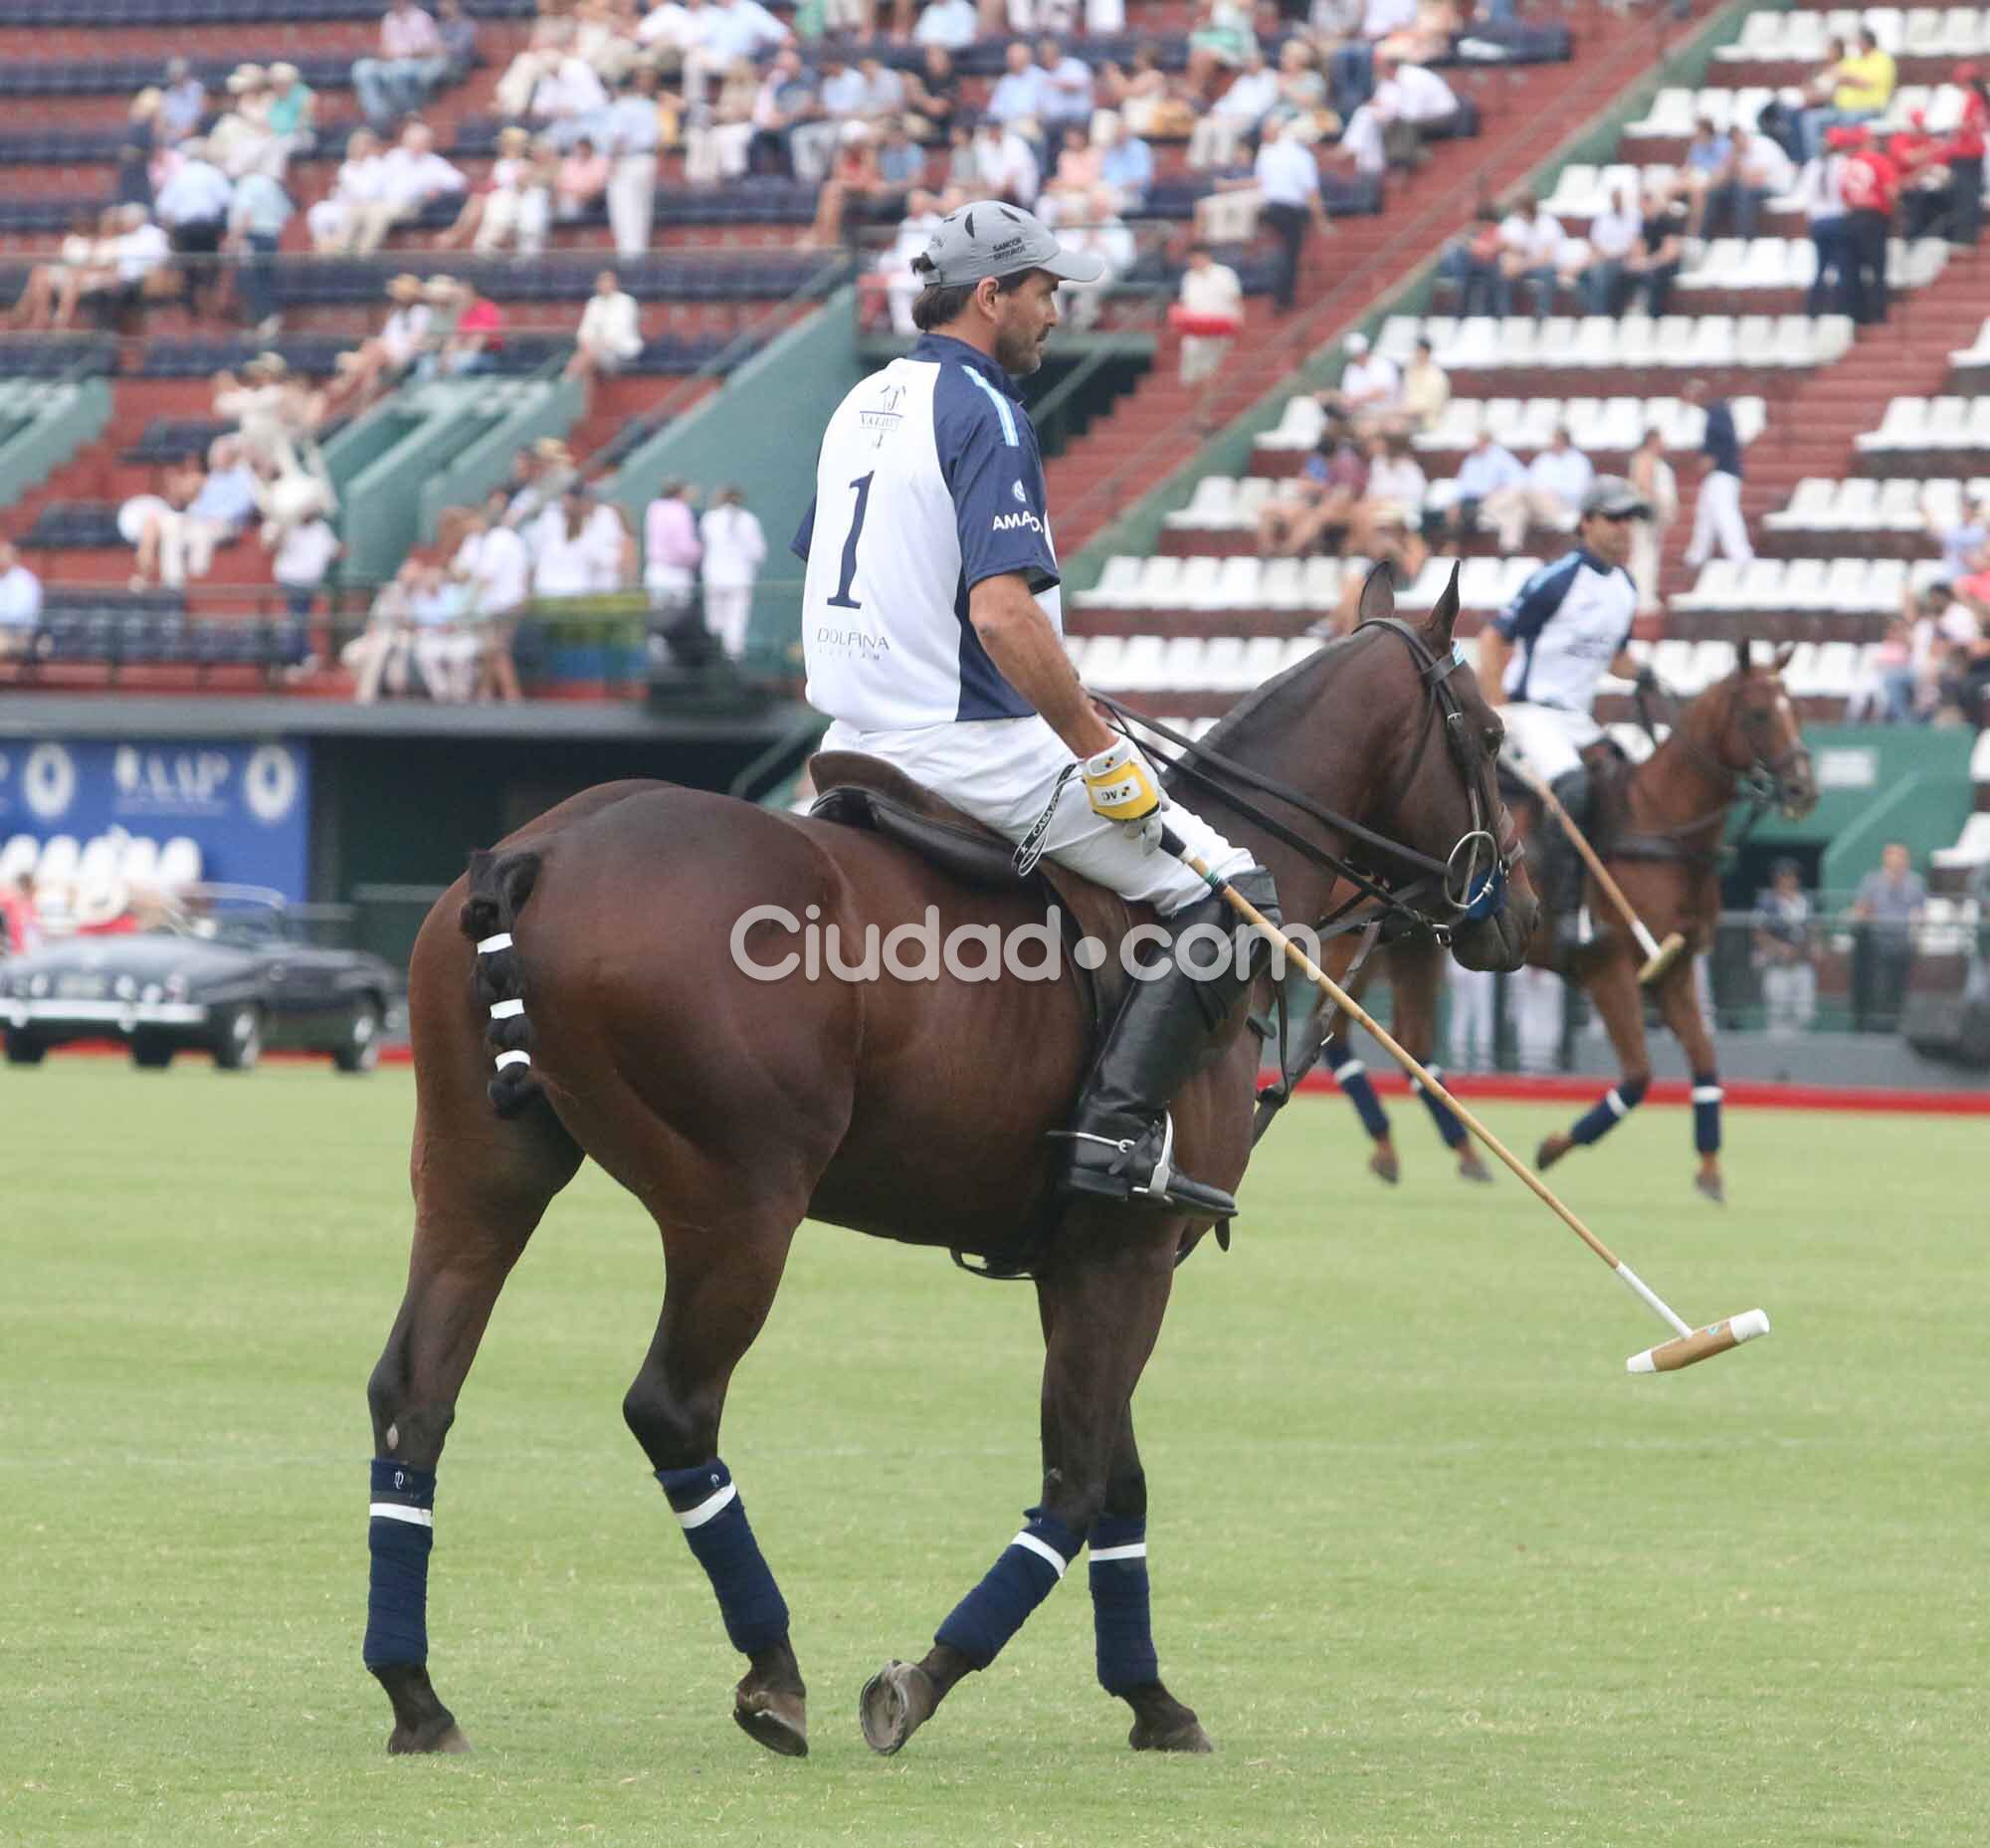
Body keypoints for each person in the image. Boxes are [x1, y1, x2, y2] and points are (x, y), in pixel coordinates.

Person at [792, 199, 1280, 1215]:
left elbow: (848, 568)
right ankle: (1112, 1136)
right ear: (990, 295)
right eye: (1045, 292)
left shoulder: (859, 399)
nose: (1055, 313)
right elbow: (1004, 615)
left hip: (846, 740)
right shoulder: (985, 408)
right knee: (1231, 896)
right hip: (963, 743)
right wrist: (1096, 749)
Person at [1477, 478, 1657, 946]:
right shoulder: (1556, 578)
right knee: (1574, 787)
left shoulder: (1626, 586)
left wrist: (1643, 675)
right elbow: (1495, 638)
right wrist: (1499, 710)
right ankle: (1562, 911)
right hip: (1533, 712)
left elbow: (1615, 655)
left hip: (1577, 718)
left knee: (1624, 781)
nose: (1624, 529)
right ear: (1586, 522)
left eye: (1630, 520)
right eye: (1614, 518)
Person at [1254, 116, 1331, 314]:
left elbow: (1260, 181)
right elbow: (1311, 192)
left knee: (1283, 251)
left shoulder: (1268, 152)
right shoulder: (1302, 157)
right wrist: (1321, 220)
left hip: (1271, 207)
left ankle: (1280, 294)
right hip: (1291, 209)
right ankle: (1283, 297)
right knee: (1289, 253)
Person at [1850, 842, 1926, 1031]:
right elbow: (1861, 909)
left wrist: (1917, 939)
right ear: (1885, 857)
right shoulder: (1872, 880)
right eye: (1892, 855)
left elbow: (1921, 913)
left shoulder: (1916, 882)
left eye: (1900, 855)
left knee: (1898, 990)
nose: (1896, 859)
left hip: (1902, 944)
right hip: (1875, 945)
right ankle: (1872, 1028)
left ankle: (1896, 1028)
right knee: (1876, 988)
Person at [1483, 425, 1592, 553]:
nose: (1551, 442)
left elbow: (1577, 492)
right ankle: (1510, 549)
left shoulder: (1578, 461)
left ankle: (1490, 508)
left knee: (1521, 492)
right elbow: (1530, 481)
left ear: (1563, 440)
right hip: (1535, 505)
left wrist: (1551, 491)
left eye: (1555, 439)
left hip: (1560, 506)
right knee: (1518, 509)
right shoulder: (1544, 459)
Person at [1682, 379, 1753, 567]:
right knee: (1705, 513)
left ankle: (1740, 555)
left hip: (1723, 473)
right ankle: (1696, 555)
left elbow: (1722, 440)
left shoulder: (1717, 412)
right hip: (1720, 474)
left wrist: (1710, 458)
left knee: (1725, 513)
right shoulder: (1715, 412)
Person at [354, 0, 448, 131]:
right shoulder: (389, 18)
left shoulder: (421, 17)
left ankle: (408, 113)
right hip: (392, 62)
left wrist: (403, 54)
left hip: (417, 63)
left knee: (398, 71)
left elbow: (430, 50)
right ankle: (378, 116)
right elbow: (385, 48)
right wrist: (384, 55)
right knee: (362, 69)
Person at [699, 484, 765, 659]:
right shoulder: (748, 520)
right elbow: (758, 552)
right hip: (739, 577)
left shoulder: (710, 518)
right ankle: (731, 659)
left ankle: (715, 657)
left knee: (714, 620)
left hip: (714, 576)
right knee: (736, 620)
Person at [603, 65, 662, 258]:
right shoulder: (649, 104)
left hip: (627, 160)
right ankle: (639, 255)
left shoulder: (621, 106)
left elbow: (618, 138)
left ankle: (630, 259)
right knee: (642, 213)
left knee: (625, 212)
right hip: (647, 159)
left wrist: (611, 164)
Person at [1752, 859, 1816, 1036]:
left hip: (1801, 964)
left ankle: (1799, 1057)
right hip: (1777, 965)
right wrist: (1779, 948)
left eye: (1792, 876)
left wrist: (1809, 946)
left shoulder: (1805, 901)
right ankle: (1777, 1058)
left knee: (1805, 1013)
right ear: (1776, 879)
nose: (1788, 880)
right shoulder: (1767, 901)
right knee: (1778, 1013)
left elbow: (1811, 929)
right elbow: (1758, 932)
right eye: (1784, 876)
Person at [1172, 242, 1243, 385]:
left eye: (1197, 257)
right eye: (1192, 258)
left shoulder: (1225, 274)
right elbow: (1184, 303)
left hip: (1220, 330)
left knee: (1212, 372)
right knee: (1191, 376)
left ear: (1206, 256)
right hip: (1195, 332)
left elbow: (1236, 299)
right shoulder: (1189, 278)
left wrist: (1239, 319)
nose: (1195, 261)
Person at [1624, 425, 1677, 616]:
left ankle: (1646, 595)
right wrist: (1659, 504)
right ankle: (1640, 597)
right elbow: (1643, 484)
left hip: (1653, 516)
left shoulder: (1654, 461)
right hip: (1646, 514)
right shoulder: (1644, 458)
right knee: (1643, 556)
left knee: (1650, 557)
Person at [567, 269, 644, 396]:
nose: (604, 284)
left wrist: (598, 345)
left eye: (607, 281)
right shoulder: (593, 303)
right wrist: (588, 343)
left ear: (615, 283)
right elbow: (584, 331)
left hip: (622, 350)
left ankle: (567, 385)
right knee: (587, 364)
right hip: (595, 351)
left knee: (583, 359)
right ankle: (583, 402)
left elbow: (620, 333)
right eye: (601, 281)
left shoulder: (626, 302)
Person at [644, 478, 703, 618]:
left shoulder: (654, 508)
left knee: (658, 618)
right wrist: (698, 554)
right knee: (678, 621)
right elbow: (684, 546)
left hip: (655, 570)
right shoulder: (680, 510)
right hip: (676, 573)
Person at [0, 540, 43, 658]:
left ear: (14, 558)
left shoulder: (25, 581)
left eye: (4, 556)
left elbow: (19, 613)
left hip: (22, 633)